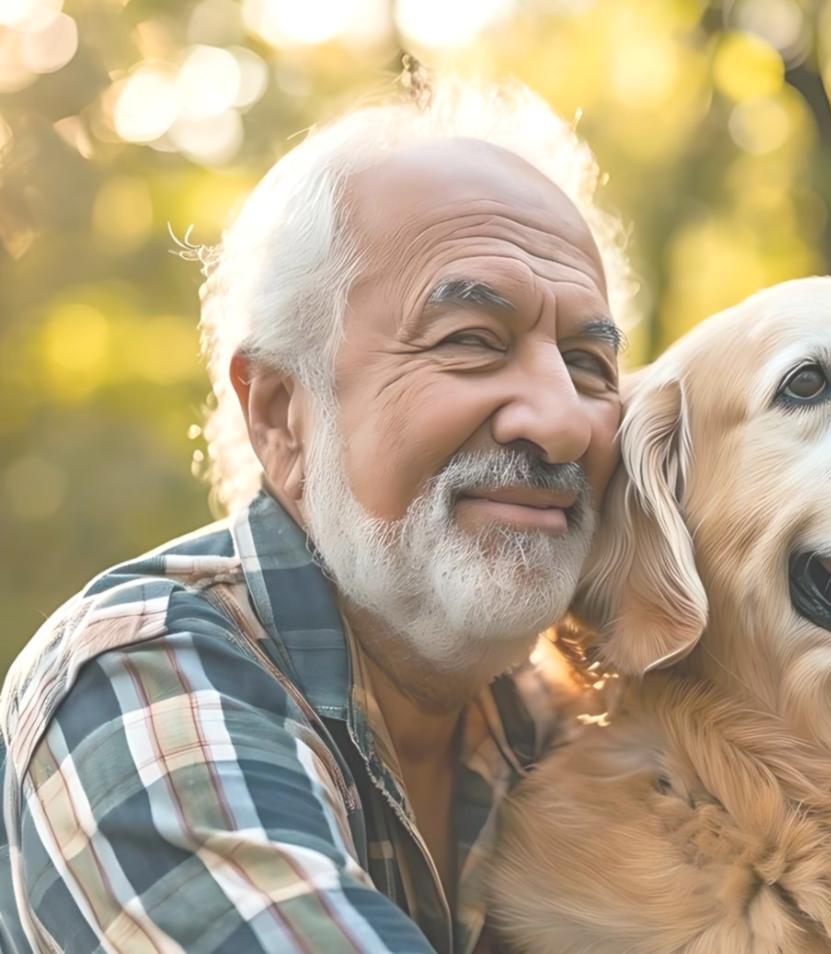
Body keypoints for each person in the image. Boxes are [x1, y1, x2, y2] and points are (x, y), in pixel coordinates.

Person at [0, 77, 631, 953]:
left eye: (587, 364)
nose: (563, 420)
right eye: (469, 341)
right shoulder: (138, 684)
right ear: (281, 416)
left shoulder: (564, 719)